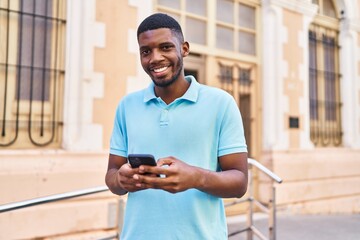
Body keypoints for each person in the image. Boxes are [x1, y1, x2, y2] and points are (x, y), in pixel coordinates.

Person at [105, 13, 248, 240]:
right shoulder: (126, 106)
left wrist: (195, 177)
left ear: (184, 49)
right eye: (146, 51)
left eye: (165, 47)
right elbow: (112, 176)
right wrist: (121, 180)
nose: (155, 58)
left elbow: (239, 182)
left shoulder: (222, 103)